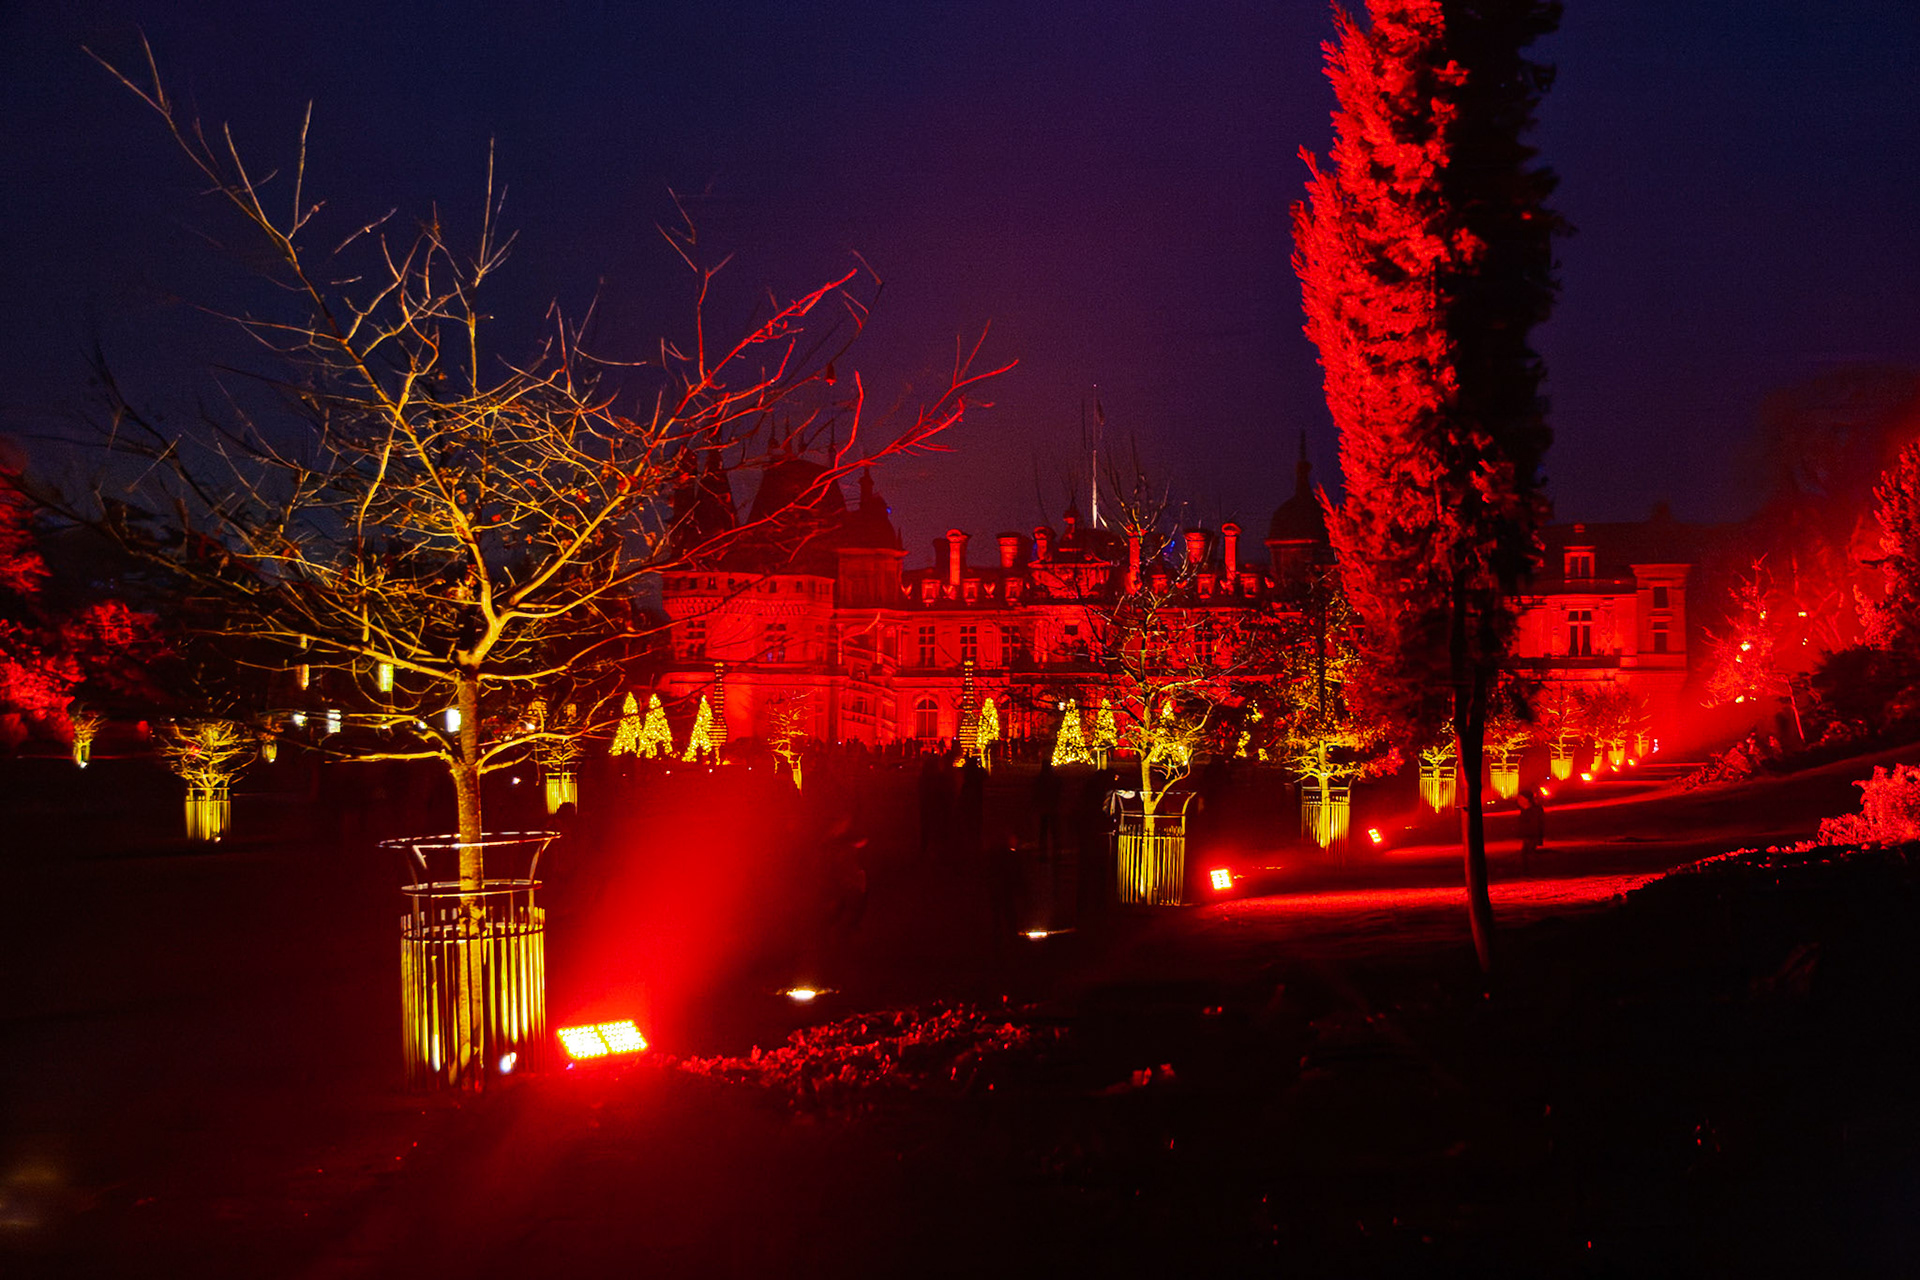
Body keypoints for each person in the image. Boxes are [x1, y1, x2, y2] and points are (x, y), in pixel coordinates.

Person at [1516, 787, 1546, 874]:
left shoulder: (1533, 811)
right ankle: (1529, 870)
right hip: (1528, 836)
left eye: (1520, 798)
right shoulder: (1526, 810)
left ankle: (1533, 870)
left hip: (1531, 835)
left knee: (1528, 853)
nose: (1518, 801)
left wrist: (1536, 836)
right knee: (1526, 853)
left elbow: (1536, 824)